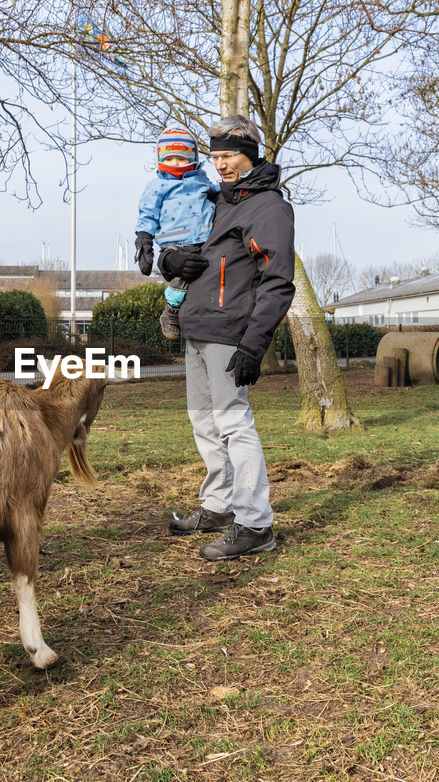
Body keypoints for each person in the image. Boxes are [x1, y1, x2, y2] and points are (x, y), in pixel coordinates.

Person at [159, 115, 295, 561]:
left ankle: (255, 523)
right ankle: (218, 505)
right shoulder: (214, 199)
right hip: (195, 328)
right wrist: (171, 259)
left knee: (234, 423)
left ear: (250, 154)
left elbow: (277, 281)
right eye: (215, 157)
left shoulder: (268, 208)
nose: (220, 165)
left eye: (229, 156)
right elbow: (183, 240)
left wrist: (255, 343)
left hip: (230, 332)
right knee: (204, 422)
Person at [133, 124, 218, 340]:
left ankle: (198, 313)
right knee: (182, 275)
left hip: (205, 238)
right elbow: (148, 213)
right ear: (161, 159)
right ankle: (171, 309)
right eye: (170, 159)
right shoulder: (157, 186)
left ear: (194, 158)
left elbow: (217, 192)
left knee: (206, 272)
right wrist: (144, 239)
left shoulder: (202, 180)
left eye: (181, 158)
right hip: (175, 240)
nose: (176, 163)